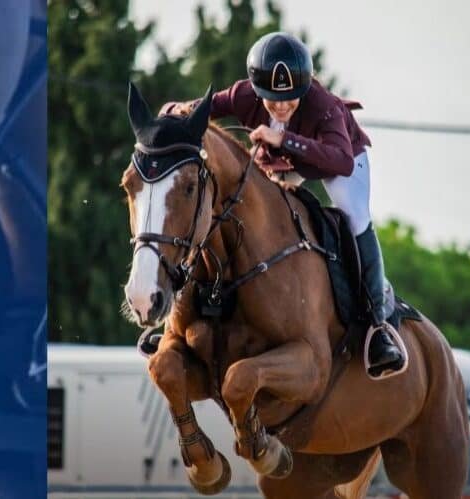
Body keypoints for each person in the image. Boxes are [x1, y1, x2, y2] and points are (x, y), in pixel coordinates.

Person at [162, 31, 406, 380]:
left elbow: (341, 162)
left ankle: (377, 322)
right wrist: (175, 111)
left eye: (290, 99)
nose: (281, 106)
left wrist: (284, 138)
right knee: (239, 208)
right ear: (256, 89)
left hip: (338, 160)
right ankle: (188, 310)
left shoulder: (323, 107)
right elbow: (202, 109)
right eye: (272, 99)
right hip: (282, 160)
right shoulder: (242, 94)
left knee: (354, 217)